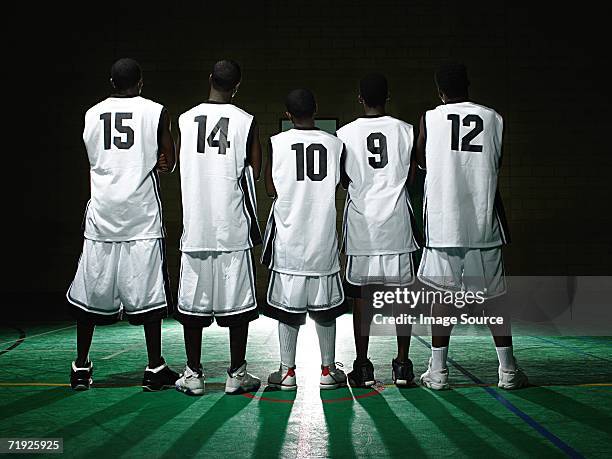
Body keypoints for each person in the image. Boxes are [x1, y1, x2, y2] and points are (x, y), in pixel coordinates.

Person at [67, 57, 178, 391]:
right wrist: (156, 158)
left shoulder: (91, 113)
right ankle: (155, 367)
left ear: (111, 82)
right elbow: (168, 162)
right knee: (148, 294)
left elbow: (93, 157)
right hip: (140, 214)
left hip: (103, 212)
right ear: (140, 82)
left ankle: (82, 367)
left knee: (90, 291)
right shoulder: (156, 111)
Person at [415, 62, 528, 390]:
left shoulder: (429, 117)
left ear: (440, 92)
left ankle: (438, 372)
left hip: (443, 222)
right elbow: (495, 161)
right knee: (495, 298)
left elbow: (421, 160)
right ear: (469, 85)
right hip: (482, 221)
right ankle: (507, 369)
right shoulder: (494, 118)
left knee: (442, 296)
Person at [174, 60, 262, 396]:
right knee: (237, 307)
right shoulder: (246, 121)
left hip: (196, 227)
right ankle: (236, 375)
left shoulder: (184, 119)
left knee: (192, 307)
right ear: (237, 86)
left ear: (209, 78)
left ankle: (193, 375)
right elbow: (255, 171)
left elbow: (178, 165)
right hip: (232, 227)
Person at [337, 73, 421, 388]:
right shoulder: (407, 131)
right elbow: (412, 176)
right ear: (388, 96)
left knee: (361, 298)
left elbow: (343, 180)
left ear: (360, 97)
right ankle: (402, 364)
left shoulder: (345, 134)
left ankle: (362, 365)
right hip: (397, 224)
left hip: (362, 227)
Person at [262, 89, 347, 390]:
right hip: (322, 238)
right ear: (316, 110)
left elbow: (270, 189)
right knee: (324, 309)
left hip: (290, 238)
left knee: (288, 309)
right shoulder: (335, 144)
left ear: (287, 114)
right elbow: (341, 183)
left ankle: (287, 372)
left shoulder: (276, 143)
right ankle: (327, 371)